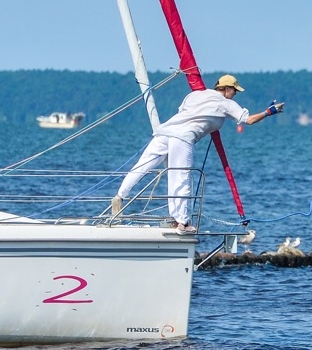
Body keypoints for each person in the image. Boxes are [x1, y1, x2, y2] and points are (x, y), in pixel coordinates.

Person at [112, 74, 283, 233]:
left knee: (142, 167)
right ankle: (182, 223)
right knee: (181, 176)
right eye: (234, 91)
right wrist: (269, 112)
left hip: (164, 132)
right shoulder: (225, 104)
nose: (235, 95)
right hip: (183, 137)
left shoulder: (194, 95)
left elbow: (184, 112)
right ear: (227, 89)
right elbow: (249, 120)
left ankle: (119, 197)